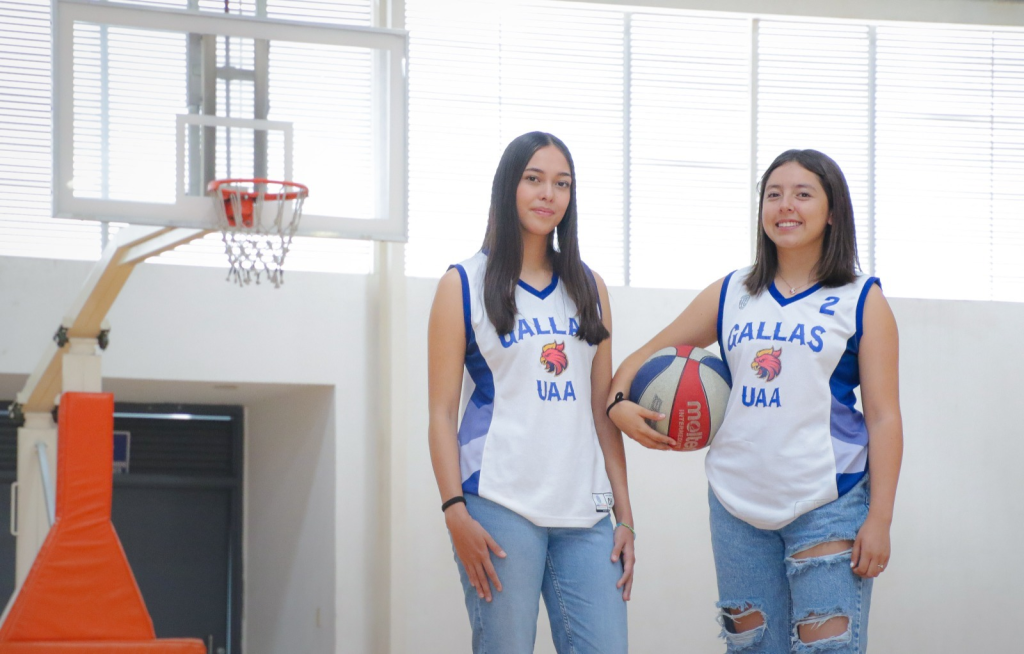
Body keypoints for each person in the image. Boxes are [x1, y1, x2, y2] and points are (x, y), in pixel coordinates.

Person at [607, 149, 902, 653]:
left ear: (832, 211)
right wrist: (617, 406)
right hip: (736, 505)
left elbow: (884, 416)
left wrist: (879, 519)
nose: (785, 205)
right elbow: (640, 357)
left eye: (803, 194)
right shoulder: (733, 292)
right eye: (774, 195)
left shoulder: (861, 298)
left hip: (827, 504)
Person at [427, 131, 634, 653]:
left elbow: (601, 408)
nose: (549, 194)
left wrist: (626, 515)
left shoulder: (589, 286)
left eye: (561, 184)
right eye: (534, 179)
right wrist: (454, 510)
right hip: (498, 503)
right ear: (507, 187)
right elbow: (440, 412)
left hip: (585, 513)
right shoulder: (463, 283)